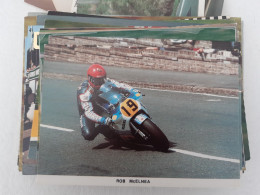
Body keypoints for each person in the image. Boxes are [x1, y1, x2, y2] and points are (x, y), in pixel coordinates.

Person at [77, 64, 134, 141]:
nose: (100, 82)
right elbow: (88, 113)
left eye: (102, 79)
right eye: (97, 80)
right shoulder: (84, 92)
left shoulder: (106, 80)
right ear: (90, 78)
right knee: (88, 135)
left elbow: (119, 85)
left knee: (118, 108)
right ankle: (102, 128)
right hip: (87, 110)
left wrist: (131, 90)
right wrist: (103, 120)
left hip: (100, 103)